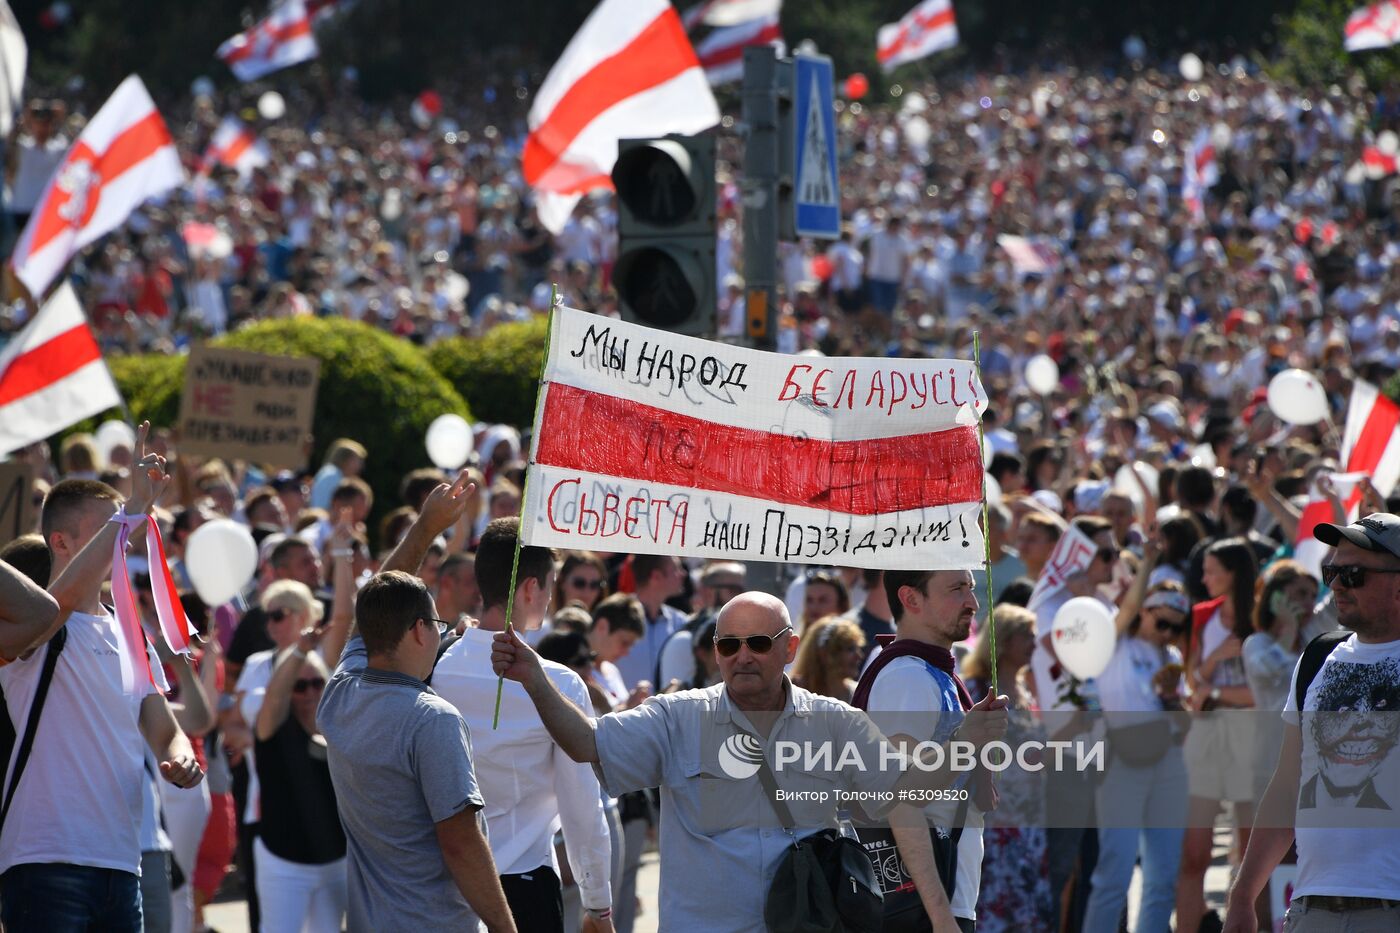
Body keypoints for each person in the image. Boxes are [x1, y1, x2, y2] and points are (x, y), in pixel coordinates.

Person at [493, 590, 1008, 933]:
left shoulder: (834, 721)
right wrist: (535, 680)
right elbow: (588, 745)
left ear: (790, 648)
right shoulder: (677, 718)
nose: (743, 655)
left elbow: (904, 798)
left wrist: (942, 921)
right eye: (729, 644)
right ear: (715, 652)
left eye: (759, 643)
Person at [0, 427, 204, 933]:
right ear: (61, 542)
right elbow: (60, 601)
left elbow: (161, 724)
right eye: (111, 525)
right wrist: (133, 506)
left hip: (121, 862)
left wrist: (180, 754)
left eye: (128, 525)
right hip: (45, 859)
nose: (127, 533)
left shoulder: (127, 629)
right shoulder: (34, 622)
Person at [317, 471, 516, 932]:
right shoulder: (432, 720)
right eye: (439, 625)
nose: (444, 632)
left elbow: (377, 605)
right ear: (420, 631)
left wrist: (426, 528)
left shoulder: (340, 691)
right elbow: (461, 843)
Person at [433, 518, 614, 933]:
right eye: (550, 586)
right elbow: (582, 806)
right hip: (523, 889)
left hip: (446, 888)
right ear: (531, 587)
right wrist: (599, 905)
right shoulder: (561, 683)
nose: (550, 599)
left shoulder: (435, 669)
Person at [1224, 514, 1400, 933]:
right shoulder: (1318, 658)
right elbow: (1287, 786)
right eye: (1332, 571)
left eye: (1353, 574)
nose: (1336, 584)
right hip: (1310, 909)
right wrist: (1243, 893)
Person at [852, 568, 1007, 933]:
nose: (972, 602)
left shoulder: (930, 672)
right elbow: (899, 801)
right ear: (911, 599)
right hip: (921, 909)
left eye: (970, 588)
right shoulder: (907, 678)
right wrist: (941, 918)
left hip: (939, 900)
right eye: (956, 589)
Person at [1083, 566, 1192, 933]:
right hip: (1123, 762)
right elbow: (1125, 611)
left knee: (1163, 876)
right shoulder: (1116, 645)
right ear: (1145, 610)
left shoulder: (1171, 654)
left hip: (1168, 762)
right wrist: (1148, 562)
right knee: (1114, 873)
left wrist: (1172, 700)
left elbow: (1186, 725)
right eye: (1162, 623)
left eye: (1176, 627)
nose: (1168, 634)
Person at [1179, 537, 1258, 933]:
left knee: (1248, 856)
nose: (1204, 578)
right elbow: (1193, 681)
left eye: (1212, 570)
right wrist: (1215, 660)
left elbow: (1267, 693)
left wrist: (1216, 691)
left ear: (1234, 574)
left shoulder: (1264, 618)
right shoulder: (1202, 615)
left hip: (1251, 736)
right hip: (1207, 733)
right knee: (1194, 852)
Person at [962, 605, 1054, 933]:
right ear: (1005, 639)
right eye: (1027, 636)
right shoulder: (978, 690)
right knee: (996, 913)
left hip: (1029, 822)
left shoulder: (1025, 689)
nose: (1034, 643)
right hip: (996, 824)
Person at [253, 626, 346, 932]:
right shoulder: (274, 730)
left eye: (317, 683)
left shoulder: (341, 730)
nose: (309, 693)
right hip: (283, 864)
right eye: (299, 686)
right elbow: (273, 695)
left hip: (335, 863)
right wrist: (299, 651)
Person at [790, 616, 865, 702]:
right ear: (825, 654)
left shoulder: (858, 695)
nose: (859, 656)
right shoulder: (796, 689)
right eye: (850, 649)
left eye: (858, 648)